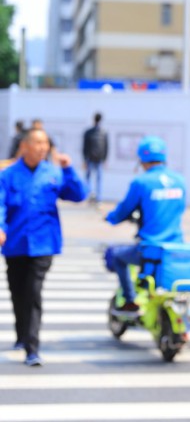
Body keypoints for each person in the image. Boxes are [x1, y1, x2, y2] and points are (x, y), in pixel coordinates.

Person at [0, 128, 87, 367]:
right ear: (25, 146)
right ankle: (21, 335)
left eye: (45, 143)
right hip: (15, 244)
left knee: (33, 291)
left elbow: (79, 195)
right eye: (37, 143)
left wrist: (69, 170)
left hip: (43, 244)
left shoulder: (53, 173)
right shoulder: (8, 175)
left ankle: (32, 348)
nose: (42, 148)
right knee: (18, 292)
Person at [106, 136, 186, 315]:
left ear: (141, 159)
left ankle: (129, 300)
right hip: (176, 246)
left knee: (117, 257)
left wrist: (110, 218)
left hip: (150, 248)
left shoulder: (141, 182)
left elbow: (124, 210)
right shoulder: (180, 180)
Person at [82, 112, 109, 204]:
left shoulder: (103, 132)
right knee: (91, 178)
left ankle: (98, 197)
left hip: (97, 159)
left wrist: (104, 159)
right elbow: (85, 146)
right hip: (92, 159)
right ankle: (91, 195)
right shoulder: (91, 132)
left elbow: (106, 146)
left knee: (97, 178)